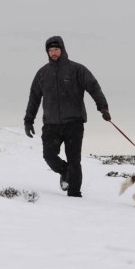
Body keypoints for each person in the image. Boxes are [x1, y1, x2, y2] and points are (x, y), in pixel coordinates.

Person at [24, 36, 111, 197]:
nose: (53, 53)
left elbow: (94, 87)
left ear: (62, 50)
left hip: (74, 123)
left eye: (56, 49)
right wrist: (28, 120)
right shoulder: (43, 73)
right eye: (50, 50)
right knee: (48, 155)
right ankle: (65, 171)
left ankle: (74, 193)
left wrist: (103, 107)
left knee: (74, 160)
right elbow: (34, 97)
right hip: (51, 124)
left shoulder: (77, 69)